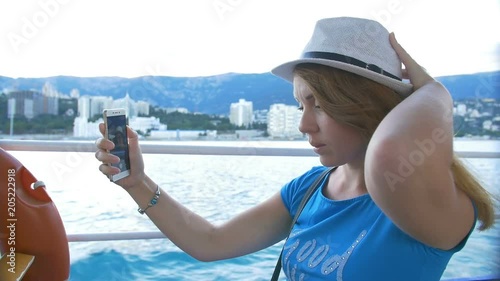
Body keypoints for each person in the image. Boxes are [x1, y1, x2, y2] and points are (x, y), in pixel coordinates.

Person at [94, 17, 495, 280]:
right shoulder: (308, 189)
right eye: (300, 105)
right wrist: (138, 182)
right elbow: (211, 242)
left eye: (320, 105)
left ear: (367, 104)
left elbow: (388, 154)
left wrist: (434, 92)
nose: (304, 125)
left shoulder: (432, 207)